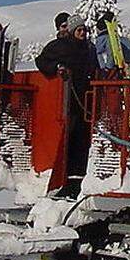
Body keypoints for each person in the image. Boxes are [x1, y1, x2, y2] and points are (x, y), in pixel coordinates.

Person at [35, 14, 97, 197]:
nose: (82, 33)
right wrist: (57, 68)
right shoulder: (59, 47)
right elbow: (42, 61)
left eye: (84, 30)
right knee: (70, 138)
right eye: (79, 30)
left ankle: (79, 179)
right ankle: (66, 181)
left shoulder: (87, 48)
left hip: (85, 101)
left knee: (83, 141)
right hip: (69, 100)